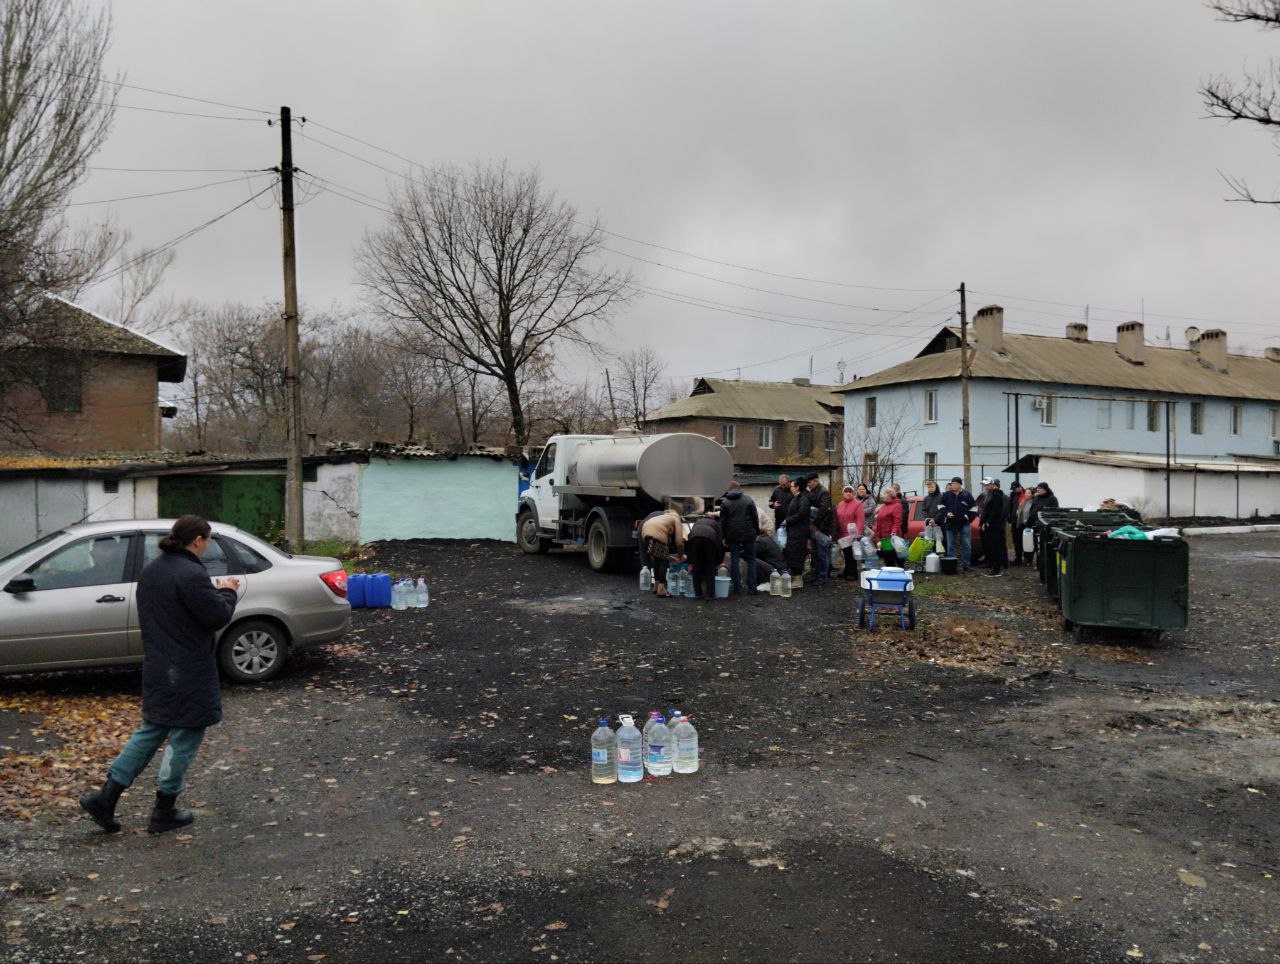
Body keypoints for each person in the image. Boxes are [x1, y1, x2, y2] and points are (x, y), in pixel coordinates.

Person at [79, 515, 240, 835]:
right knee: (184, 737)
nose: (207, 547)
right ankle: (164, 810)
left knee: (150, 731)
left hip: (158, 666)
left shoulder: (152, 571)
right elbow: (216, 616)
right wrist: (228, 591)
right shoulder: (192, 574)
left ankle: (106, 797)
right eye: (207, 541)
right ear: (197, 541)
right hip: (188, 671)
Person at [718, 481, 760, 594]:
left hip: (732, 535)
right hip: (748, 534)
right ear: (740, 489)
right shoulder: (748, 500)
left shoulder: (725, 502)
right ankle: (752, 588)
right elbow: (755, 517)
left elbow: (723, 523)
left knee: (734, 560)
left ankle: (737, 587)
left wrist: (723, 537)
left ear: (729, 490)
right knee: (751, 559)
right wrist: (757, 531)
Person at [641, 507, 685, 598]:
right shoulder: (675, 518)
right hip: (657, 534)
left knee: (657, 558)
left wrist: (669, 556)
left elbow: (661, 553)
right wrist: (681, 555)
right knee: (663, 561)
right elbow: (679, 542)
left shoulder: (663, 517)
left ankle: (656, 586)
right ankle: (661, 589)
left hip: (645, 532)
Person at [938, 476, 977, 571]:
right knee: (951, 545)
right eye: (952, 484)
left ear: (960, 485)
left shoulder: (967, 495)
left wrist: (968, 518)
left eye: (955, 484)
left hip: (964, 524)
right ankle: (952, 566)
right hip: (950, 523)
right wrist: (946, 513)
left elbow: (974, 508)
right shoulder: (946, 495)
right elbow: (940, 506)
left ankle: (966, 565)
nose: (953, 485)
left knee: (966, 545)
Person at [805, 475, 835, 587]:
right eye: (808, 482)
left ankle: (822, 578)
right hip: (814, 528)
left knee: (822, 554)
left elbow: (824, 510)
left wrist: (815, 525)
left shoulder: (824, 492)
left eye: (810, 482)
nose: (808, 484)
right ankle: (816, 575)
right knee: (815, 553)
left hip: (822, 528)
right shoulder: (812, 492)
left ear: (816, 481)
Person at [686, 513, 723, 600]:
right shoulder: (716, 524)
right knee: (710, 567)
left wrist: (690, 561)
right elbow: (719, 542)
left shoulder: (698, 521)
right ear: (714, 518)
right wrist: (718, 561)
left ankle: (698, 594)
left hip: (694, 539)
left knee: (696, 567)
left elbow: (690, 535)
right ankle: (710, 595)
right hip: (709, 540)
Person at [782, 478, 811, 586]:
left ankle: (798, 580)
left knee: (797, 554)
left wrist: (787, 520)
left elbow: (801, 514)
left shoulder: (803, 498)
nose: (791, 489)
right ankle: (795, 577)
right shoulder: (796, 497)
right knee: (791, 553)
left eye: (792, 486)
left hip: (799, 532)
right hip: (793, 531)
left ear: (798, 487)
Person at [835, 484, 867, 581]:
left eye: (850, 491)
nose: (848, 493)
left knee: (852, 555)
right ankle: (846, 571)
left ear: (853, 493)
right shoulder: (840, 504)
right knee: (846, 554)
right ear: (843, 493)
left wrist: (857, 534)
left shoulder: (857, 504)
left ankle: (853, 573)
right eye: (846, 491)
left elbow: (860, 520)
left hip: (852, 534)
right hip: (842, 534)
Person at [979, 477, 1009, 577]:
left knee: (995, 547)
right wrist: (983, 522)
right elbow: (986, 510)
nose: (985, 487)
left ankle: (997, 569)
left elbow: (996, 511)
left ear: (993, 484)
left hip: (994, 525)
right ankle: (994, 567)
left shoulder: (997, 495)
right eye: (984, 485)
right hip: (989, 524)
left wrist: (988, 522)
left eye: (987, 485)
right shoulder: (989, 494)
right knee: (991, 547)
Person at [872, 487, 903, 568]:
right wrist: (875, 531)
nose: (883, 496)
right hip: (883, 537)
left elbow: (897, 522)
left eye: (885, 494)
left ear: (890, 495)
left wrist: (894, 533)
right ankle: (890, 574)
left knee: (894, 557)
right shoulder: (883, 506)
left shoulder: (896, 506)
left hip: (892, 537)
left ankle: (899, 574)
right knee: (887, 558)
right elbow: (879, 520)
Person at [1007, 481, 1029, 565]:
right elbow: (1010, 507)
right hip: (1014, 521)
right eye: (1013, 489)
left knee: (1024, 541)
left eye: (1015, 488)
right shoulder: (1013, 495)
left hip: (1023, 522)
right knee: (1016, 540)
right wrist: (1010, 519)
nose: (1014, 490)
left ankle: (1026, 558)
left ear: (1019, 487)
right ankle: (1018, 558)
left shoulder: (1026, 494)